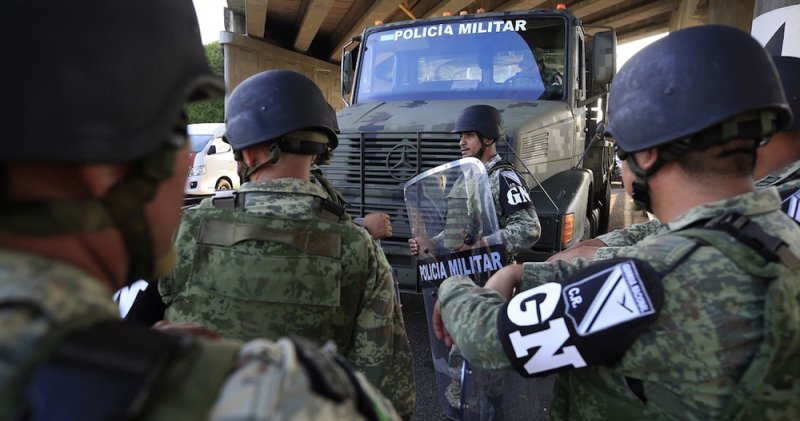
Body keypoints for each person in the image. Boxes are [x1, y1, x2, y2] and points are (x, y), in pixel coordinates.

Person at [0, 1, 399, 420]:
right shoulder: (285, 395)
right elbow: (389, 387)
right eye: (176, 125)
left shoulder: (193, 227)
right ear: (103, 163)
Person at [432, 25, 800, 418]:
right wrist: (526, 274)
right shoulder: (778, 232)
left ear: (649, 154)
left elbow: (489, 337)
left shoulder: (656, 277)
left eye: (623, 151)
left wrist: (454, 287)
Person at [159, 69, 416, 419]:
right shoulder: (358, 247)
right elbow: (386, 388)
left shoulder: (187, 228)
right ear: (320, 151)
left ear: (248, 155)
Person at [556, 55, 800, 261]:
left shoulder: (787, 201)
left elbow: (712, 258)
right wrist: (605, 243)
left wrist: (596, 259)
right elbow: (695, 222)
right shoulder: (769, 185)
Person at [408, 104, 541, 259]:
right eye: (460, 137)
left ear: (489, 138)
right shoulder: (463, 180)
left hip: (494, 275)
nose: (461, 143)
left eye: (469, 135)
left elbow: (529, 228)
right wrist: (431, 244)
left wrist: (483, 245)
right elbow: (456, 233)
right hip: (461, 273)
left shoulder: (504, 177)